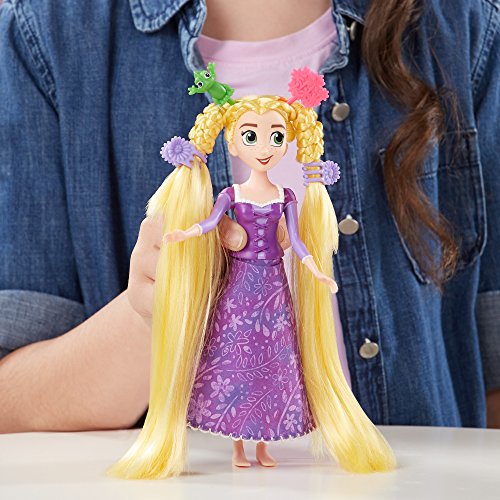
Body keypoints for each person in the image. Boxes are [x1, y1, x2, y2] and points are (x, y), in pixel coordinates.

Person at [0, 0, 498, 435]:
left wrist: (312, 263)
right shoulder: (45, 34)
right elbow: (12, 406)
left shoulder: (465, 25)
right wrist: (157, 311)